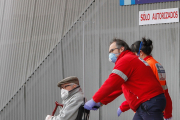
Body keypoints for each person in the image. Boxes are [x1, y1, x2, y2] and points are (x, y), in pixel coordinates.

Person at [84, 38, 166, 120]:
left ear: (121, 49)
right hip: (147, 102)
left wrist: (94, 100)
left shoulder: (126, 60)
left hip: (149, 102)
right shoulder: (131, 58)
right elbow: (119, 88)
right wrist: (101, 102)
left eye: (112, 51)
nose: (110, 54)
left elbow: (111, 83)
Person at [128, 37, 172, 120]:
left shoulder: (146, 66)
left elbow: (139, 91)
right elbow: (165, 91)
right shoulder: (157, 65)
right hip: (157, 104)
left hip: (149, 106)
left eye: (133, 55)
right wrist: (168, 113)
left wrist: (124, 106)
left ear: (140, 53)